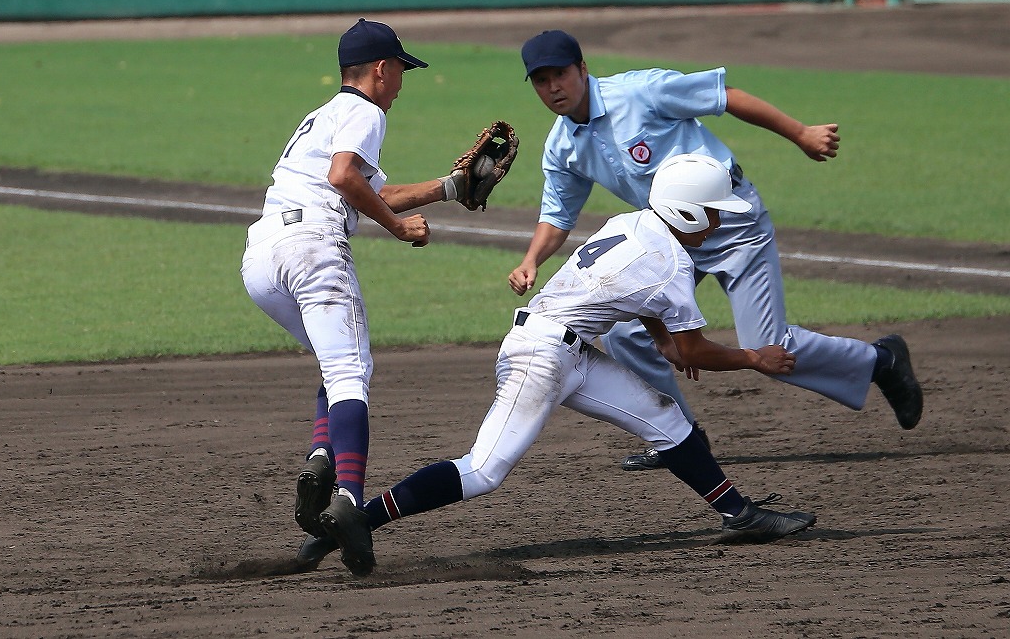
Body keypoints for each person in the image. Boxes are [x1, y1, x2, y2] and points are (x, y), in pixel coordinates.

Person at [297, 153, 818, 574]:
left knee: (665, 416)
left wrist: (665, 339)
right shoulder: (674, 264)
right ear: (688, 212)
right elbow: (694, 347)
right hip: (541, 357)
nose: (720, 218)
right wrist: (753, 357)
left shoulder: (634, 222)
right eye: (714, 210)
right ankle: (356, 520)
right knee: (483, 470)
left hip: (566, 349)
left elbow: (639, 298)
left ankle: (739, 513)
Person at [508, 29, 923, 470]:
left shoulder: (642, 92)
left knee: (768, 344)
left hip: (733, 223)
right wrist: (531, 259)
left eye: (561, 74)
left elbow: (727, 95)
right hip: (675, 240)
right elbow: (557, 215)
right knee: (626, 334)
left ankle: (881, 360)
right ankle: (680, 438)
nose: (553, 87)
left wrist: (800, 133)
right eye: (541, 80)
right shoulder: (562, 147)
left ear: (583, 69)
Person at [241, 18, 473, 577]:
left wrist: (448, 188)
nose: (401, 82)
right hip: (311, 248)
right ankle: (347, 498)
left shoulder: (323, 115)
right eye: (400, 70)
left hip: (262, 258)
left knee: (338, 362)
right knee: (351, 372)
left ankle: (322, 458)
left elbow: (367, 184)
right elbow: (347, 178)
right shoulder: (366, 111)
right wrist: (395, 226)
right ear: (380, 69)